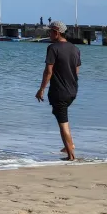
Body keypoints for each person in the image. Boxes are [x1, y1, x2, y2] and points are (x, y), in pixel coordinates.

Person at [35, 20, 80, 161]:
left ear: (56, 32)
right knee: (63, 117)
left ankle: (70, 155)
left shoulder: (53, 48)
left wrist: (41, 89)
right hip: (72, 91)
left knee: (63, 124)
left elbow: (48, 71)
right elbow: (76, 71)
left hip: (59, 92)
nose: (48, 34)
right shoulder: (75, 48)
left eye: (50, 32)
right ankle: (69, 145)